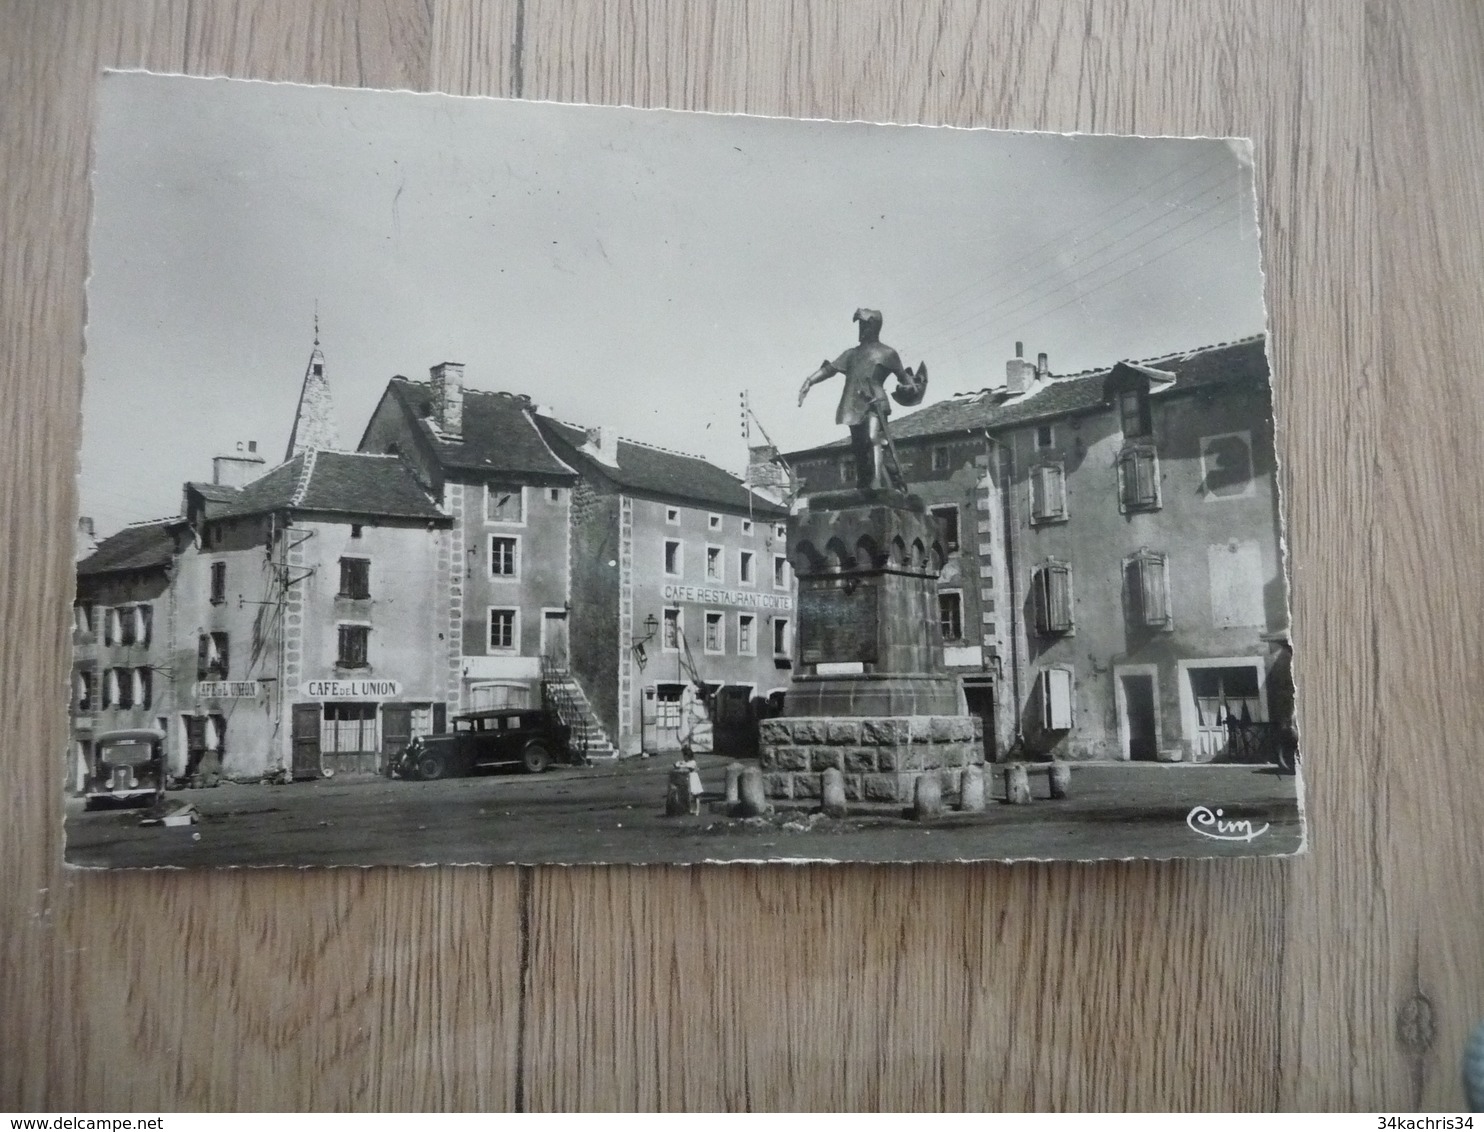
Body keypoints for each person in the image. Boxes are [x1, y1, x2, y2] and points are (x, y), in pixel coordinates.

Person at [797, 308, 926, 492]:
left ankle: (876, 482)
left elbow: (904, 379)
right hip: (853, 404)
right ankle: (864, 483)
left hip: (875, 401)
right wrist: (809, 381)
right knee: (858, 447)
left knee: (873, 439)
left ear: (873, 326)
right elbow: (829, 370)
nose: (861, 329)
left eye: (864, 324)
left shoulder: (888, 353)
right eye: (860, 325)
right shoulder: (851, 354)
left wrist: (909, 387)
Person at [675, 745, 703, 816]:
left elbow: (686, 765)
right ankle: (690, 809)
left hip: (693, 778)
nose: (684, 757)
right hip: (689, 778)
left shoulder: (692, 762)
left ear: (687, 756)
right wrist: (680, 763)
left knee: (696, 795)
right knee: (689, 794)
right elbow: (683, 763)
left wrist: (679, 764)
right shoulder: (688, 762)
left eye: (684, 756)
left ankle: (697, 810)